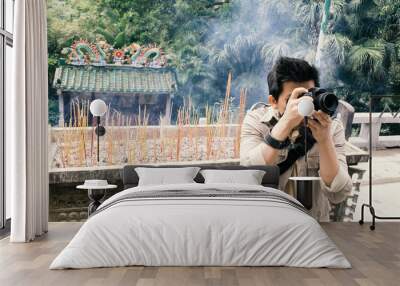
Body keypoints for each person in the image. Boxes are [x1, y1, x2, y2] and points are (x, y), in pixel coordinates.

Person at [240, 57, 352, 221]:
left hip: (313, 225)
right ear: (273, 101)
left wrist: (324, 140)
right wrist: (286, 123)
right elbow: (249, 177)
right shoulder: (256, 122)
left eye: (308, 96)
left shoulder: (331, 127)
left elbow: (339, 193)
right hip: (267, 224)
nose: (303, 105)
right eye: (292, 99)